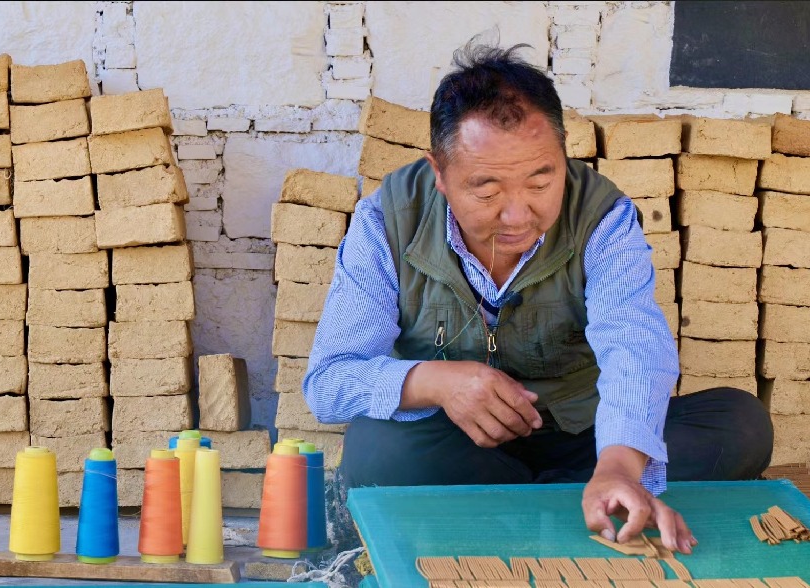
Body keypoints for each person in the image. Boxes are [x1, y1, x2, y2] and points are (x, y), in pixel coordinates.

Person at [302, 42, 773, 554]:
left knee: (739, 424)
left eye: (540, 181)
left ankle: (547, 509)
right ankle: (569, 516)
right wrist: (436, 382)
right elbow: (330, 381)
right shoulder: (388, 219)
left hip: (586, 439)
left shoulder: (602, 216)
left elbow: (634, 343)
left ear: (563, 157)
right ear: (439, 173)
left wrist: (619, 465)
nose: (517, 215)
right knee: (376, 451)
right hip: (459, 448)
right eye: (487, 191)